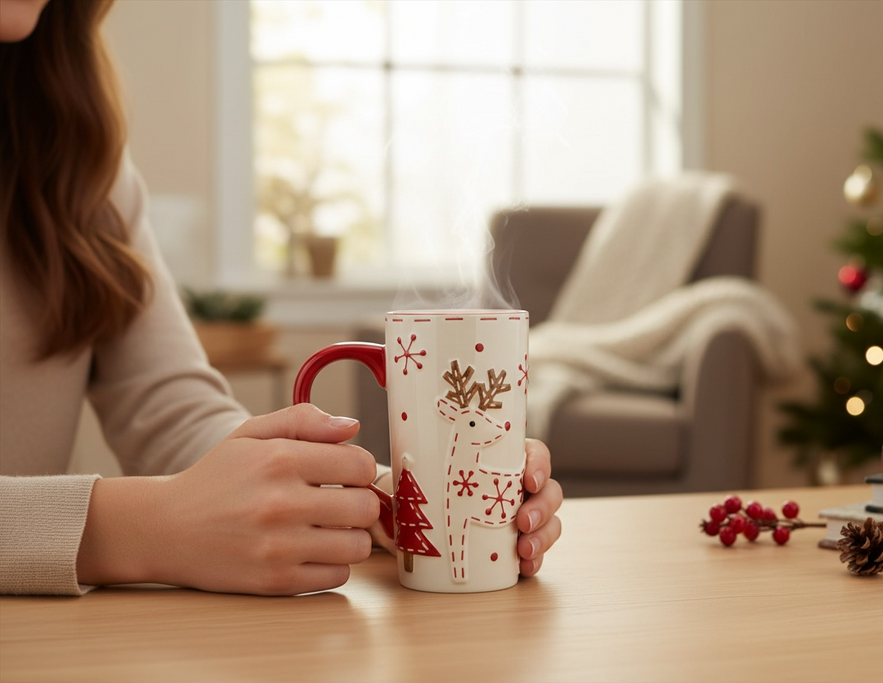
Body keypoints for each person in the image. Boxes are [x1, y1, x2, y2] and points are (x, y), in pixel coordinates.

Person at [0, 0, 562, 596]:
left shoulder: (72, 164)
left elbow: (172, 412)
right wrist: (135, 528)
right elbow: (168, 509)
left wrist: (379, 495)